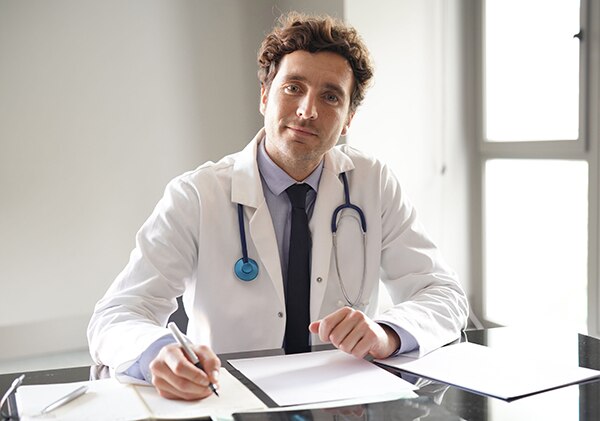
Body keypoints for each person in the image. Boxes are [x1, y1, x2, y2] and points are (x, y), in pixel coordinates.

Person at [87, 12, 469, 401]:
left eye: (330, 96)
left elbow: (444, 294)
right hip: (228, 399)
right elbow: (117, 314)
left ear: (349, 118)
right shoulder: (196, 195)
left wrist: (387, 334)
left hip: (343, 401)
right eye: (293, 88)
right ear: (265, 96)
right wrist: (157, 353)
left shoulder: (373, 184)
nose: (308, 110)